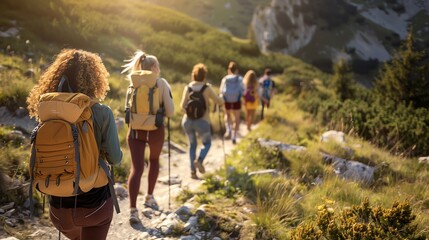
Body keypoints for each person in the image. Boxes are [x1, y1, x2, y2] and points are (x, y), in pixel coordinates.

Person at [26, 49, 123, 240]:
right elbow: (116, 158)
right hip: (95, 207)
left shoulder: (49, 110)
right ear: (94, 78)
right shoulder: (102, 112)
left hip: (57, 210)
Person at [122, 51, 174, 223]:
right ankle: (149, 196)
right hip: (155, 130)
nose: (159, 70)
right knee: (153, 161)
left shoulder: (133, 82)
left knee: (136, 169)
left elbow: (127, 108)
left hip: (135, 130)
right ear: (153, 67)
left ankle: (132, 210)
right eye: (157, 67)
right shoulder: (161, 83)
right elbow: (171, 111)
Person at [180, 63, 224, 179]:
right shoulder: (207, 88)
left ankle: (193, 172)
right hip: (202, 122)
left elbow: (182, 107)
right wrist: (221, 97)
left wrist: (191, 114)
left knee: (192, 145)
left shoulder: (188, 88)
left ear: (193, 75)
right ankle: (199, 160)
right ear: (204, 76)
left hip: (187, 122)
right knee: (207, 144)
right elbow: (219, 102)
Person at [219, 61, 244, 144]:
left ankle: (228, 129)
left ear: (229, 70)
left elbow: (221, 90)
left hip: (227, 100)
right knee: (236, 118)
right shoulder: (239, 78)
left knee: (227, 115)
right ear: (236, 70)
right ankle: (234, 136)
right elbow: (243, 89)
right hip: (236, 100)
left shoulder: (225, 79)